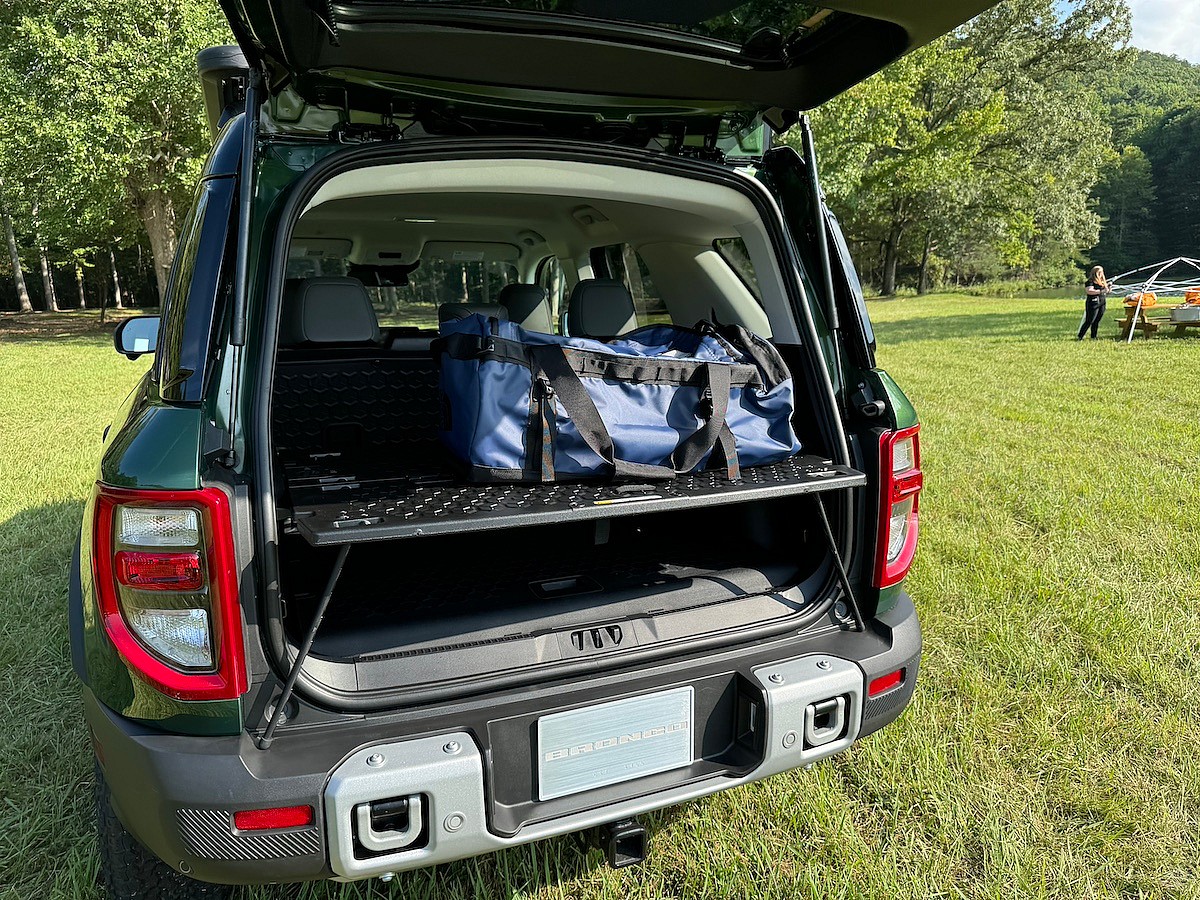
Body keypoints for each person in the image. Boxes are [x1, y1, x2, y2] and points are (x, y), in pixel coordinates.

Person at [1078, 264, 1108, 340]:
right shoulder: (1090, 282)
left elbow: (1105, 291)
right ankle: (1080, 336)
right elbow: (1089, 291)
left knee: (1097, 320)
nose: (1101, 274)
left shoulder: (1102, 282)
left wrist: (1108, 288)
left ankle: (1093, 336)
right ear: (1095, 273)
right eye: (1099, 272)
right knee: (1090, 320)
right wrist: (1101, 291)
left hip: (1102, 302)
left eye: (1102, 272)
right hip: (1093, 303)